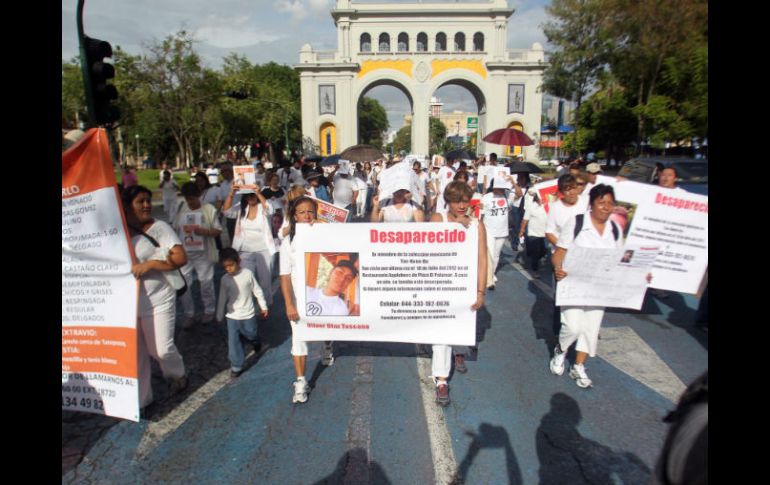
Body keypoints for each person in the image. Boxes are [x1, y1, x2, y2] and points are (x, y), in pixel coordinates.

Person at [549, 184, 644, 388]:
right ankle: (561, 350)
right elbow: (559, 254)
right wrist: (558, 268)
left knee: (590, 329)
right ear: (591, 204)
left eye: (610, 203)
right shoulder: (576, 223)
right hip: (573, 286)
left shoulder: (615, 229)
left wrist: (640, 273)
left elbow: (621, 260)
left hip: (599, 289)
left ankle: (578, 366)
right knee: (572, 327)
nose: (606, 207)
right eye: (601, 202)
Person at [122, 185, 189, 409]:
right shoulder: (117, 231)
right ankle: (143, 400)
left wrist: (150, 264)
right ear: (126, 206)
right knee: (136, 355)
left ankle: (177, 374)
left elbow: (181, 258)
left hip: (159, 299)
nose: (146, 205)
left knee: (161, 349)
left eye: (148, 200)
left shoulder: (159, 228)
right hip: (128, 304)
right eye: (140, 201)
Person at [429, 181, 488, 406]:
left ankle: (459, 351)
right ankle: (441, 379)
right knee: (440, 334)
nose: (462, 206)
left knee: (461, 325)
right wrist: (455, 227)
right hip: (440, 284)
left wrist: (480, 291)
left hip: (464, 285)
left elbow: (482, 259)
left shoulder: (477, 225)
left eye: (465, 201)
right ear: (448, 202)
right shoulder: (438, 219)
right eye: (456, 201)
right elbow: (428, 247)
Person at [280, 196, 328, 403]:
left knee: (327, 326)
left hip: (323, 294)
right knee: (298, 338)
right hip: (300, 299)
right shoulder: (288, 242)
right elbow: (284, 276)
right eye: (302, 212)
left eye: (311, 212)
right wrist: (289, 304)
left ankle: (327, 345)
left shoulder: (325, 233)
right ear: (294, 216)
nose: (307, 216)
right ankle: (300, 381)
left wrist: (324, 227)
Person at [173, 182, 223, 326]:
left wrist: (205, 232)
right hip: (185, 254)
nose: (190, 202)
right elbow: (175, 229)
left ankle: (209, 310)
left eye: (192, 198)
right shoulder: (181, 208)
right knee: (184, 285)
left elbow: (218, 230)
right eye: (187, 198)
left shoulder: (208, 209)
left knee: (206, 283)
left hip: (204, 254)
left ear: (199, 195)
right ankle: (189, 313)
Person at [545, 174, 588, 337]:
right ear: (561, 192)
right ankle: (559, 331)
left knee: (584, 293)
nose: (571, 193)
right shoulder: (556, 208)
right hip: (562, 258)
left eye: (573, 188)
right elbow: (549, 232)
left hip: (583, 256)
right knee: (562, 295)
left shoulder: (586, 202)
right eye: (567, 190)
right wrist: (564, 247)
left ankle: (583, 328)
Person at [216, 248, 269, 378]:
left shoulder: (247, 274)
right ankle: (236, 365)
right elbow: (222, 297)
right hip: (232, 316)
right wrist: (219, 314)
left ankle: (255, 341)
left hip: (248, 314)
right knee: (233, 341)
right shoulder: (224, 279)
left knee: (251, 333)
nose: (228, 269)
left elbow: (257, 291)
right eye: (225, 267)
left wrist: (263, 306)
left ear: (238, 262)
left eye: (231, 265)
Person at [224, 185, 277, 308]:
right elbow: (226, 212)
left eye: (252, 195)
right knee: (245, 280)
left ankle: (266, 306)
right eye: (248, 195)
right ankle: (247, 306)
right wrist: (231, 194)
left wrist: (258, 192)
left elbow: (271, 210)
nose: (250, 197)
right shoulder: (241, 207)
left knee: (265, 282)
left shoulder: (263, 206)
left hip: (264, 250)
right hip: (244, 251)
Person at [480, 181, 515, 290]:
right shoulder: (486, 197)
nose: (501, 188)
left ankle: (491, 274)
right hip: (488, 230)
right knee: (489, 254)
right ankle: (489, 280)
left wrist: (512, 181)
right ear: (493, 186)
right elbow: (480, 214)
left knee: (496, 255)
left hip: (502, 231)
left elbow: (519, 194)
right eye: (499, 186)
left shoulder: (507, 196)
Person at [518, 190, 548, 273]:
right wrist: (522, 230)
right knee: (536, 252)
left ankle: (531, 258)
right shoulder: (531, 206)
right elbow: (525, 220)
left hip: (545, 234)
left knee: (543, 251)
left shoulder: (548, 206)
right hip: (533, 234)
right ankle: (535, 269)